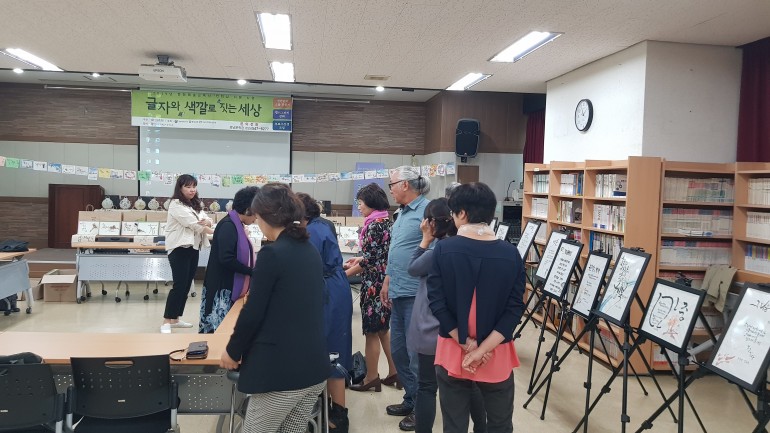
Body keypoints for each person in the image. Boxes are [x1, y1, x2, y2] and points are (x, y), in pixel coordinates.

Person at [220, 183, 328, 433]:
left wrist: (233, 351)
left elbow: (253, 312)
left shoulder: (273, 254)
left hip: (282, 373)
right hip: (313, 368)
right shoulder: (309, 250)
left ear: (267, 217)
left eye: (258, 218)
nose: (257, 224)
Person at [427, 182, 526, 433]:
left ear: (462, 213)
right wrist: (482, 349)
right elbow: (515, 309)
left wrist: (467, 345)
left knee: (454, 425)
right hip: (496, 352)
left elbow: (437, 302)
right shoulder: (511, 254)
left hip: (453, 349)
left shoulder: (443, 250)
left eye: (453, 212)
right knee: (500, 424)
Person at [406, 198, 486, 433]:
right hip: (461, 329)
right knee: (471, 385)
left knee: (427, 386)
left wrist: (425, 240)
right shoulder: (466, 247)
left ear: (432, 223)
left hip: (432, 330)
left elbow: (413, 268)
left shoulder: (438, 250)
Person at [297, 192, 353, 433]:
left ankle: (338, 417)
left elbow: (307, 268)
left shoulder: (313, 232)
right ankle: (331, 409)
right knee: (334, 348)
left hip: (328, 291)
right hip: (335, 287)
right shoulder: (321, 225)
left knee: (332, 352)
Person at [382, 166, 431, 431]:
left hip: (416, 293)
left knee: (415, 356)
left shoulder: (427, 211)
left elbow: (434, 250)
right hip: (398, 290)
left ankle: (421, 410)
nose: (390, 189)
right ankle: (411, 398)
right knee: (399, 351)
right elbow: (396, 250)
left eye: (392, 184)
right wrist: (387, 280)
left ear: (405, 184)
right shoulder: (401, 213)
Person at [344, 183, 398, 393]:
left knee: (372, 332)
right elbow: (378, 254)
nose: (359, 207)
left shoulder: (374, 225)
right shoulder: (385, 221)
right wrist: (360, 258)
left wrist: (345, 274)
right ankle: (395, 372)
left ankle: (371, 377)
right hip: (384, 280)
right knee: (383, 330)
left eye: (360, 203)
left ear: (371, 203)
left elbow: (371, 261)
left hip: (374, 284)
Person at [198, 186, 259, 334]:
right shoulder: (228, 226)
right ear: (247, 210)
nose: (256, 218)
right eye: (256, 213)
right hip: (222, 286)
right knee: (218, 328)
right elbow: (226, 259)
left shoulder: (235, 224)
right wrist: (251, 271)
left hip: (227, 282)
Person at [161, 174, 214, 334]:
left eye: (194, 186)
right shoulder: (176, 204)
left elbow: (207, 219)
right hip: (179, 248)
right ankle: (166, 321)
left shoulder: (195, 204)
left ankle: (175, 319)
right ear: (180, 188)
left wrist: (208, 222)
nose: (192, 190)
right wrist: (215, 231)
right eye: (188, 187)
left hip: (193, 247)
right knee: (179, 285)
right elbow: (194, 224)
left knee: (186, 285)